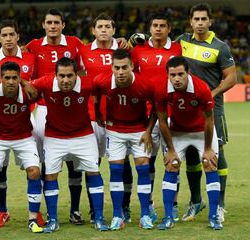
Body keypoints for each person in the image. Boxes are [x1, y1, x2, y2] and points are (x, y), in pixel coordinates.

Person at [31, 57, 108, 232]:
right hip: (54, 137)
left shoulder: (88, 84)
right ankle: (53, 219)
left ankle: (99, 218)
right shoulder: (45, 82)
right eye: (62, 76)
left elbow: (107, 87)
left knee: (94, 172)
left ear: (77, 75)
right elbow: (27, 86)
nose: (66, 80)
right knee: (50, 175)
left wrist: (99, 112)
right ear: (55, 75)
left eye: (70, 76)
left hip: (83, 136)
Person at [177, 3, 237, 222]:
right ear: (190, 21)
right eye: (196, 19)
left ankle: (219, 204)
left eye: (204, 19)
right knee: (192, 155)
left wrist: (213, 93)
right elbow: (161, 47)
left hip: (212, 109)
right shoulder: (181, 41)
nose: (200, 23)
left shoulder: (221, 47)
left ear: (210, 21)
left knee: (216, 154)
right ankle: (195, 201)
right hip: (186, 110)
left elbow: (231, 77)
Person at [26, 8, 86, 224]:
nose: (52, 26)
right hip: (43, 109)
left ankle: (75, 209)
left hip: (70, 108)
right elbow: (14, 54)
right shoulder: (33, 46)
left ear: (63, 25)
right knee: (43, 162)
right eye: (49, 22)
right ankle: (41, 209)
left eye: (56, 22)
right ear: (43, 25)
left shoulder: (75, 43)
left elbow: (86, 69)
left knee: (74, 161)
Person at [0, 19, 43, 228]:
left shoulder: (30, 57)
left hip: (27, 117)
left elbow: (36, 86)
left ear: (18, 36)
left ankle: (36, 212)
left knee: (35, 168)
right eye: (4, 35)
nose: (8, 39)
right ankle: (2, 211)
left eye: (12, 35)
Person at [78, 13, 134, 223]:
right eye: (99, 26)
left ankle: (124, 208)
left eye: (107, 26)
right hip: (91, 117)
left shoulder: (123, 51)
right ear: (93, 30)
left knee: (123, 163)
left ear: (114, 30)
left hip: (118, 116)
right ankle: (95, 210)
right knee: (92, 163)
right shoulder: (82, 52)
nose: (103, 29)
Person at [155, 56, 222, 230]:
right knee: (171, 165)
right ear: (167, 75)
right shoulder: (162, 89)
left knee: (210, 163)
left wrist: (208, 149)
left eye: (180, 74)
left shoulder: (201, 88)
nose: (177, 78)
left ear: (188, 73)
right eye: (173, 75)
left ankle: (214, 216)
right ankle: (168, 217)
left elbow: (209, 120)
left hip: (202, 131)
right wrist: (169, 150)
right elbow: (162, 121)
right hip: (177, 131)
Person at [94, 49, 155, 230]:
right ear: (111, 67)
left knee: (143, 170)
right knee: (115, 171)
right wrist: (98, 113)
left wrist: (148, 131)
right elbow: (96, 94)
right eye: (117, 68)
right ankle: (117, 216)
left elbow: (157, 109)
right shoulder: (102, 81)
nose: (120, 72)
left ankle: (144, 215)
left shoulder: (145, 84)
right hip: (114, 130)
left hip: (139, 131)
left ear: (132, 67)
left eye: (124, 67)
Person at [131, 11, 182, 222]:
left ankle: (174, 205)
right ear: (150, 28)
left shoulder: (178, 49)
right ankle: (149, 203)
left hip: (172, 114)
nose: (158, 29)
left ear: (169, 29)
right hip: (145, 117)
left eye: (163, 25)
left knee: (173, 161)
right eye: (155, 25)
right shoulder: (138, 50)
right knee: (148, 162)